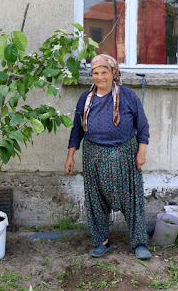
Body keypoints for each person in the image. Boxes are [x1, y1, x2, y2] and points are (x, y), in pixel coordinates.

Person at [64, 54, 152, 260]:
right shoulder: (85, 99)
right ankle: (102, 242)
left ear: (113, 73)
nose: (100, 77)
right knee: (96, 200)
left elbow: (143, 126)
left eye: (104, 72)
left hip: (125, 154)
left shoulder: (128, 96)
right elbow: (77, 130)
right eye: (95, 73)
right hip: (93, 154)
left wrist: (142, 152)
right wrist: (70, 157)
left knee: (132, 199)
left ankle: (139, 242)